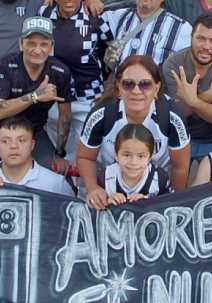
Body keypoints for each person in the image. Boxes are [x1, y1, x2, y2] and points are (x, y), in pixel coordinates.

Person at [78, 55, 191, 207]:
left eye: (145, 84)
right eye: (128, 84)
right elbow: (85, 157)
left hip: (157, 187)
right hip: (109, 186)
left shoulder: (172, 117)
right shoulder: (101, 114)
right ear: (118, 87)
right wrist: (93, 188)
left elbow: (180, 168)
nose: (136, 91)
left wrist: (170, 205)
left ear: (157, 88)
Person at [0, 16, 73, 176]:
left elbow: (65, 116)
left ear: (51, 46)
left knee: (54, 173)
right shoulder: (6, 65)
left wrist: (59, 152)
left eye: (44, 44)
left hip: (33, 131)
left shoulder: (60, 72)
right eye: (31, 43)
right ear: (21, 43)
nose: (37, 50)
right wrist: (35, 96)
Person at [36, 0, 112, 168]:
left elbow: (115, 50)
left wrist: (109, 87)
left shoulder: (94, 16)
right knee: (58, 158)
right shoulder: (45, 14)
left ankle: (87, 193)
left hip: (88, 99)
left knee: (88, 159)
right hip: (54, 98)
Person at [163, 14, 212, 161]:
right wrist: (211, 94)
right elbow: (176, 114)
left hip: (210, 140)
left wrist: (193, 101)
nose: (206, 46)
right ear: (191, 37)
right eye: (201, 38)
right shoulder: (174, 64)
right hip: (174, 135)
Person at [0, 116, 74, 196]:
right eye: (5, 141)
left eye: (21, 140)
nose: (13, 146)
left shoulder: (55, 184)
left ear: (32, 145)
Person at [94, 123, 171, 209]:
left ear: (150, 157)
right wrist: (107, 202)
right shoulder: (105, 177)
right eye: (126, 155)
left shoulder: (160, 178)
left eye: (141, 156)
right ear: (116, 155)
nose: (133, 162)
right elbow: (93, 211)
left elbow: (170, 207)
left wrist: (148, 202)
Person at [100, 0, 191, 68]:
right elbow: (88, 23)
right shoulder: (117, 17)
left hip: (157, 92)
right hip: (121, 90)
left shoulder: (182, 29)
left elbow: (192, 69)